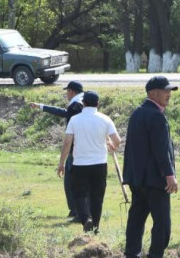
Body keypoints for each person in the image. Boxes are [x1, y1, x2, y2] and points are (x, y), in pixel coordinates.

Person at [123, 76, 179, 258]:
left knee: (136, 220)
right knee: (162, 222)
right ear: (153, 93)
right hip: (156, 179)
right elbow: (161, 150)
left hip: (138, 178)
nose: (168, 95)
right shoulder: (156, 116)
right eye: (165, 91)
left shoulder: (137, 113)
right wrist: (170, 175)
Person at [57, 91, 121, 234]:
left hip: (80, 164)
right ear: (98, 104)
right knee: (97, 197)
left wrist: (61, 163)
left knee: (79, 195)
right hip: (100, 164)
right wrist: (112, 145)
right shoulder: (105, 119)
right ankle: (95, 228)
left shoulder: (75, 120)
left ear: (83, 103)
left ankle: (86, 219)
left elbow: (67, 142)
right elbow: (117, 140)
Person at [29, 81, 85, 221]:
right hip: (81, 147)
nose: (66, 94)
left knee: (71, 182)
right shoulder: (83, 101)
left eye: (67, 92)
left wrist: (42, 107)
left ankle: (76, 211)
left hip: (75, 147)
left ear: (71, 92)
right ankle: (76, 210)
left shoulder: (76, 104)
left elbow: (64, 114)